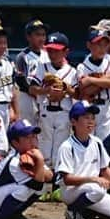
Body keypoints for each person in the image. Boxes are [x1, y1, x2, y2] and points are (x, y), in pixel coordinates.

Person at [0, 120, 52, 219]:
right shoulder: (14, 161)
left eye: (34, 136)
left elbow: (50, 176)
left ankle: (14, 215)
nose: (33, 141)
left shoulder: (30, 155)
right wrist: (40, 161)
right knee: (24, 188)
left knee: (43, 186)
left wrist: (38, 166)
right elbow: (37, 185)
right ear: (15, 143)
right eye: (27, 137)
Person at [57, 102, 110, 219]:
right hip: (71, 191)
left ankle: (87, 211)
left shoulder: (96, 142)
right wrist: (92, 179)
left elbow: (104, 168)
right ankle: (73, 210)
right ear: (73, 121)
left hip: (92, 189)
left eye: (92, 118)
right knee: (97, 189)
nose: (90, 121)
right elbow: (67, 180)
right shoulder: (67, 146)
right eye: (86, 117)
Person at [28, 31, 78, 170]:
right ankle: (43, 182)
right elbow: (32, 89)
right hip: (46, 112)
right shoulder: (42, 66)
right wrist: (46, 91)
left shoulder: (72, 71)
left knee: (60, 148)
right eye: (50, 50)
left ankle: (57, 183)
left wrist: (65, 90)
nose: (53, 54)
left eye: (56, 51)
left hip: (63, 112)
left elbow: (77, 94)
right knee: (44, 146)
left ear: (66, 52)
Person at [77, 27, 110, 139]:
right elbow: (86, 91)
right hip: (88, 108)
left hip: (105, 106)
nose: (102, 48)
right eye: (98, 44)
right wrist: (106, 79)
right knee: (88, 140)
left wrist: (91, 80)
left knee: (105, 142)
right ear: (89, 45)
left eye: (104, 45)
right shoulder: (82, 66)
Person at [15, 19, 48, 124]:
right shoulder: (22, 56)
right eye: (37, 35)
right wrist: (35, 93)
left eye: (43, 35)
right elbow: (20, 81)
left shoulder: (48, 54)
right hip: (27, 97)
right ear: (28, 37)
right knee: (28, 126)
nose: (41, 38)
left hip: (44, 96)